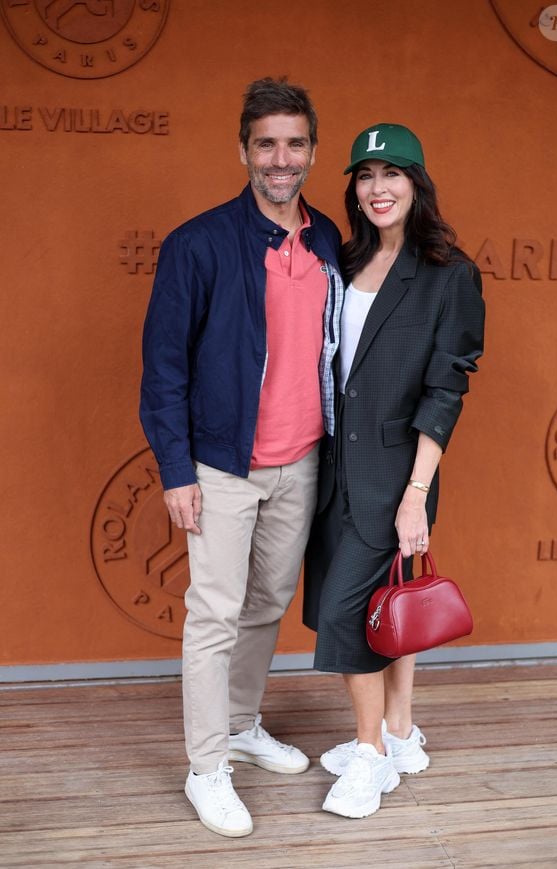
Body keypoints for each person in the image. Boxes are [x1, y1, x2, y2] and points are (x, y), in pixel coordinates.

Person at [139, 77, 343, 838]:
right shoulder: (198, 244)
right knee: (214, 616)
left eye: (294, 144)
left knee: (265, 606)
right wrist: (177, 470)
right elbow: (163, 367)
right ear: (244, 151)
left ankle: (242, 723)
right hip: (222, 464)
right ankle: (206, 768)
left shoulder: (325, 239)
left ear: (313, 152)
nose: (280, 158)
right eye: (266, 144)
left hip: (300, 459)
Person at [303, 123, 485, 819]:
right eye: (366, 174)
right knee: (388, 600)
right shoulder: (343, 262)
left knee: (349, 610)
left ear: (417, 184)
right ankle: (402, 730)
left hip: (396, 472)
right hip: (336, 464)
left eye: (393, 174)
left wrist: (416, 493)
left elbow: (446, 388)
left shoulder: (449, 274)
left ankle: (369, 752)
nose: (379, 188)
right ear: (353, 186)